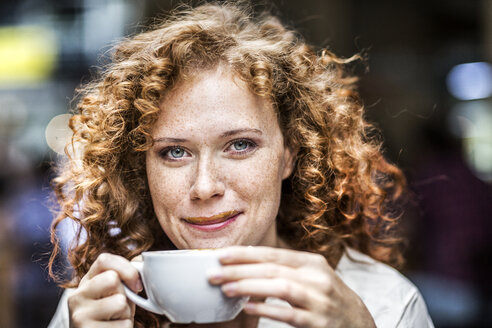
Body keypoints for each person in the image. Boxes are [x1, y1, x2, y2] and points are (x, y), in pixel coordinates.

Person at [48, 2, 434, 327]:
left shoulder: (382, 304)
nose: (203, 187)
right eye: (174, 152)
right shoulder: (96, 308)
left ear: (290, 155)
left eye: (240, 145)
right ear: (140, 168)